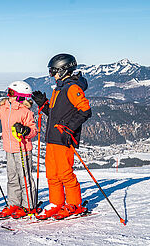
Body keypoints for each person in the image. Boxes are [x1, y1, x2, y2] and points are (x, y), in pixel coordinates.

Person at [32, 53, 92, 220]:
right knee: (52, 173)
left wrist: (69, 130)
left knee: (65, 173)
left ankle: (74, 204)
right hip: (52, 138)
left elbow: (86, 111)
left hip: (63, 138)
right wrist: (43, 104)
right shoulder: (60, 88)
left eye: (54, 71)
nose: (52, 75)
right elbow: (55, 115)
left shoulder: (72, 88)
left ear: (64, 70)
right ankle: (56, 202)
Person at [0, 80, 39, 218]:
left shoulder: (26, 112)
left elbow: (34, 131)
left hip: (23, 148)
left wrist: (25, 130)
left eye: (11, 93)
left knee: (24, 178)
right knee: (12, 177)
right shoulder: (4, 108)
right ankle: (14, 204)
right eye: (8, 92)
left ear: (20, 96)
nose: (8, 95)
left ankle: (28, 205)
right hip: (9, 149)